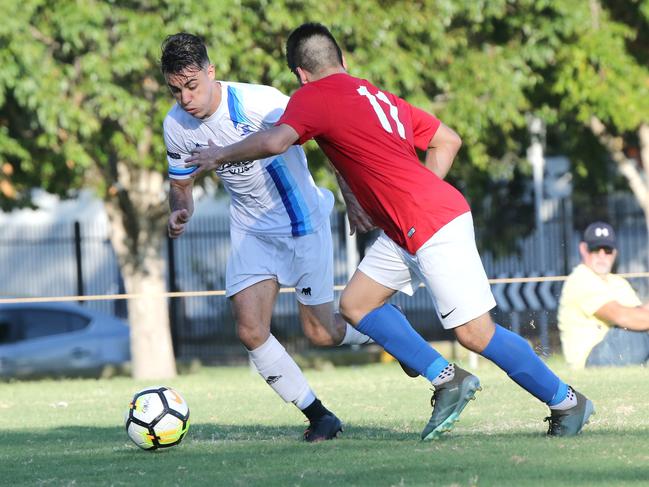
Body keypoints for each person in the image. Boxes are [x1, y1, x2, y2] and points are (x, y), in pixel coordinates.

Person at [185, 22, 594, 439]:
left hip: (431, 223)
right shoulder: (378, 95)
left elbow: (275, 142)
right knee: (357, 305)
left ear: (300, 74)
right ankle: (446, 378)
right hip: (408, 227)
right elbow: (447, 141)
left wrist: (220, 154)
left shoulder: (311, 97)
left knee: (475, 333)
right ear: (342, 61)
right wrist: (410, 195)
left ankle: (568, 402)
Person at [160, 32, 377, 443]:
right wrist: (179, 208)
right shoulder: (175, 126)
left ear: (211, 72)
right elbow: (181, 182)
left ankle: (382, 328)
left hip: (301, 223)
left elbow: (328, 139)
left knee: (321, 333)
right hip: (250, 230)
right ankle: (320, 416)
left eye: (192, 85)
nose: (185, 98)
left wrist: (351, 195)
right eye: (175, 90)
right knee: (250, 330)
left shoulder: (262, 102)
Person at [558, 221, 649, 369]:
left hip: (615, 348)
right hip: (590, 361)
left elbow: (641, 313)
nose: (602, 256)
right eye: (595, 249)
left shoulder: (617, 281)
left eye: (607, 250)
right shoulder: (581, 278)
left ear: (615, 252)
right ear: (583, 249)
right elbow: (623, 317)